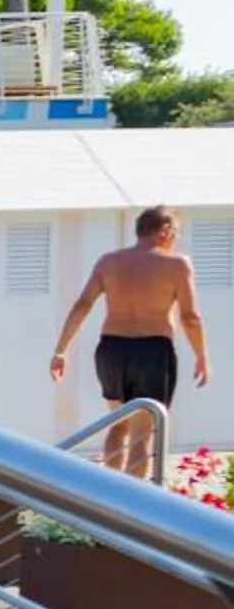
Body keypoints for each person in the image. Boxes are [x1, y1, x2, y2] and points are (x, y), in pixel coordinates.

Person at [52, 205, 210, 480]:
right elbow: (190, 316)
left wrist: (61, 350)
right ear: (164, 231)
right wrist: (201, 356)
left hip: (111, 349)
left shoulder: (108, 262)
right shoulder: (176, 264)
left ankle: (109, 493)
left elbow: (83, 304)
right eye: (175, 232)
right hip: (152, 350)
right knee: (142, 433)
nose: (176, 239)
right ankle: (131, 507)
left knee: (118, 424)